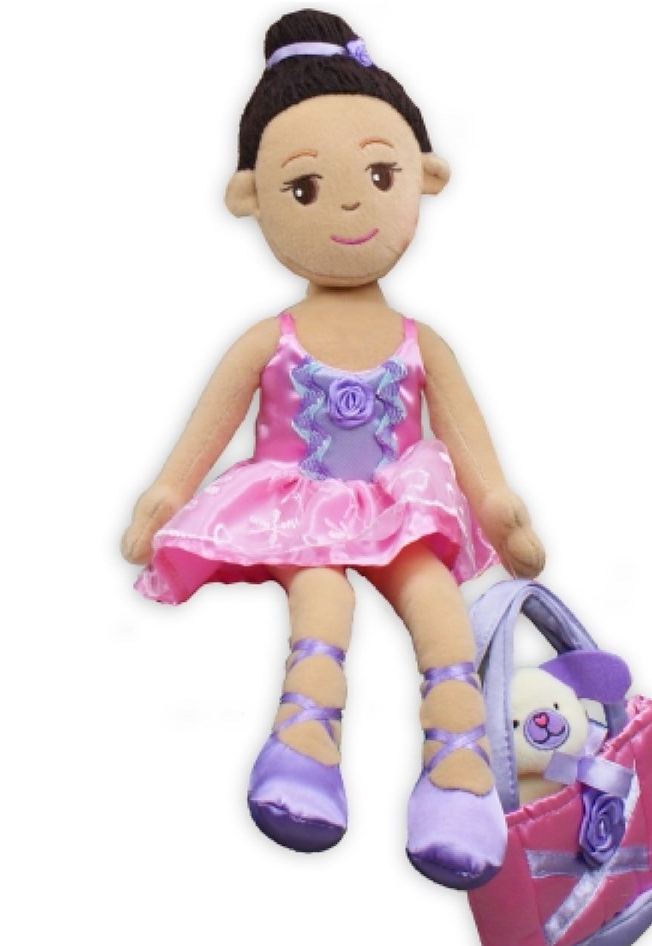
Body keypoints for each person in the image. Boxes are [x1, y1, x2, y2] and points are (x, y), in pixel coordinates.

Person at [121, 9, 545, 890]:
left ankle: (459, 771)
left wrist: (501, 510)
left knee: (435, 597)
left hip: (398, 499)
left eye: (381, 175)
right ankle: (303, 749)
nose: (352, 203)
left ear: (424, 177)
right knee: (322, 594)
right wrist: (163, 498)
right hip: (297, 500)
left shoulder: (422, 343)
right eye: (307, 188)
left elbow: (468, 445)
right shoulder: (268, 340)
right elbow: (206, 431)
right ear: (253, 197)